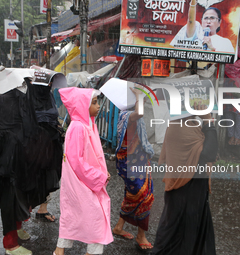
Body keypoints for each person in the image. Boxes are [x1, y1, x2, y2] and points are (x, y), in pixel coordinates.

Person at [0, 77, 62, 255]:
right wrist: (15, 139)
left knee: (22, 198)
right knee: (10, 202)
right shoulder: (5, 101)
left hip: (21, 163)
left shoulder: (22, 100)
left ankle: (17, 229)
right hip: (7, 167)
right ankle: (10, 245)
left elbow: (30, 127)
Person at [53, 87, 113, 255]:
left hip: (84, 181)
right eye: (94, 102)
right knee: (96, 219)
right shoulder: (79, 127)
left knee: (74, 215)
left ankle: (59, 251)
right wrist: (99, 176)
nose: (98, 105)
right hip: (84, 182)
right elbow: (77, 162)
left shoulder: (87, 124)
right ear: (82, 105)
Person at [151, 106, 218, 255]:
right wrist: (208, 120)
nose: (198, 106)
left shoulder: (189, 124)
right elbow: (209, 153)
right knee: (182, 232)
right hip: (186, 190)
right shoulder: (180, 127)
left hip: (191, 190)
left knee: (183, 229)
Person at [112, 85, 155, 252]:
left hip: (140, 160)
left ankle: (118, 227)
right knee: (144, 196)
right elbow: (140, 113)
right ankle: (141, 235)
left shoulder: (129, 115)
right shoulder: (126, 114)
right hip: (129, 163)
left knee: (133, 195)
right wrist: (139, 96)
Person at [32, 79, 64, 222]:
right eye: (47, 83)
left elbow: (53, 116)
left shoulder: (49, 96)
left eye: (51, 83)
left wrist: (57, 126)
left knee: (50, 176)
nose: (50, 85)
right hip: (35, 145)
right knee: (34, 176)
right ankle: (25, 210)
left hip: (52, 144)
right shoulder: (29, 98)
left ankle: (42, 209)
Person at [170, 0, 234, 53]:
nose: (208, 21)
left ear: (219, 22)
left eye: (212, 18)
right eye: (205, 18)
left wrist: (212, 49)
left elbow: (227, 62)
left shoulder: (225, 42)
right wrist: (193, 3)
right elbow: (191, 21)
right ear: (201, 21)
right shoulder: (197, 33)